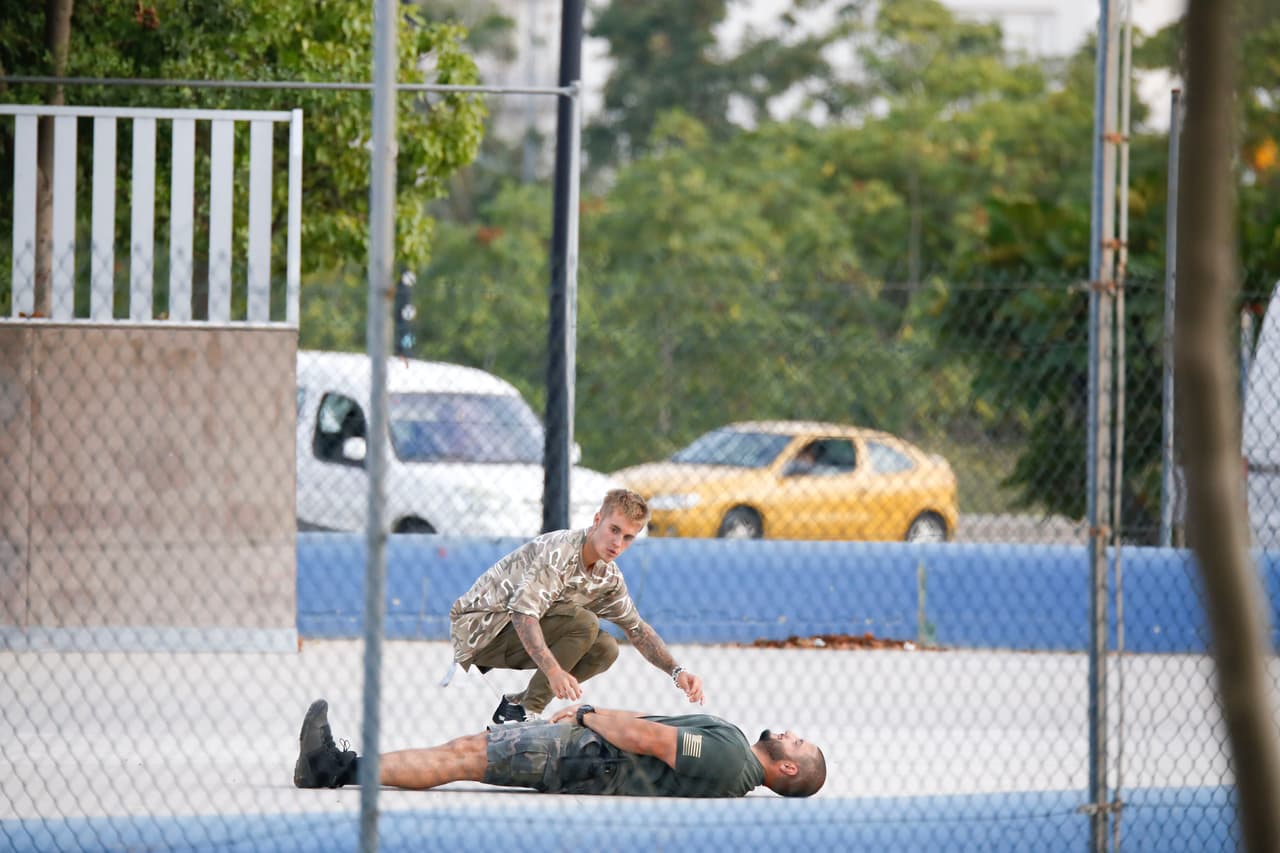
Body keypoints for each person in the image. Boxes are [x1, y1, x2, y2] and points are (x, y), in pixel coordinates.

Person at [448, 488, 705, 725]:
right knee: (584, 623)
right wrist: (553, 671)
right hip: (480, 630)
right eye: (613, 530)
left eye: (628, 537)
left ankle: (516, 706)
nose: (618, 543)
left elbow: (636, 629)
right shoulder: (560, 552)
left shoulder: (608, 577)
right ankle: (528, 712)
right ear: (597, 520)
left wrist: (676, 671)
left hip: (511, 638)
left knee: (606, 649)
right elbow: (522, 615)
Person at [292, 699, 826, 798]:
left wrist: (589, 718)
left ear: (785, 767)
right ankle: (341, 766)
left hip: (581, 756)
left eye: (797, 744)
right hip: (588, 744)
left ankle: (332, 769)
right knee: (461, 750)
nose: (790, 731)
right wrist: (590, 710)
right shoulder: (735, 750)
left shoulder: (731, 762)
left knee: (459, 759)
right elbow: (650, 720)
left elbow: (651, 739)